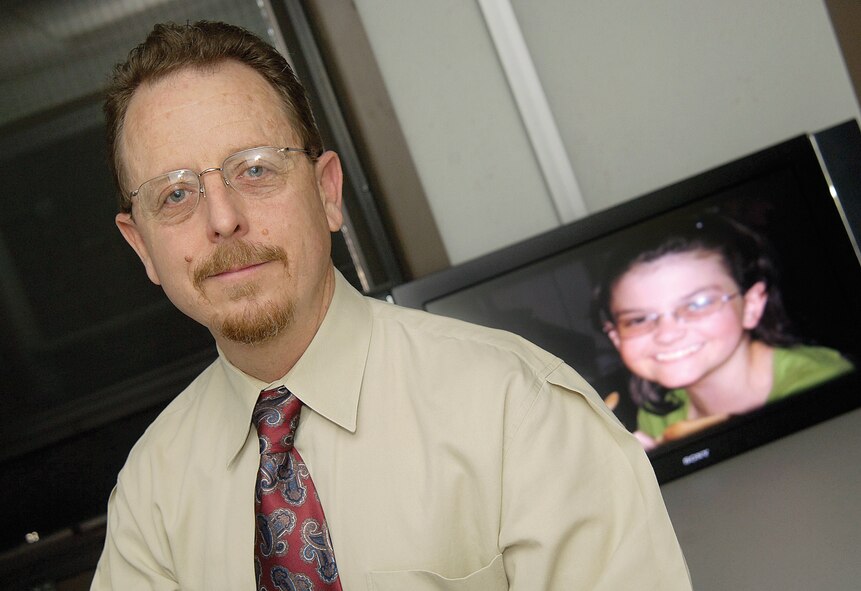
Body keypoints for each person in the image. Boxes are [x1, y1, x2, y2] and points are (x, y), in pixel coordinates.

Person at [91, 20, 691, 590]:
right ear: (142, 245)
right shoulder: (152, 498)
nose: (223, 219)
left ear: (328, 193)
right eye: (175, 194)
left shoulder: (519, 410)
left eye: (255, 169)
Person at [594, 213, 854, 450]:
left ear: (751, 306)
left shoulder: (821, 383)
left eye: (698, 304)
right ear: (615, 336)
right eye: (638, 319)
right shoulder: (657, 415)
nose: (667, 334)